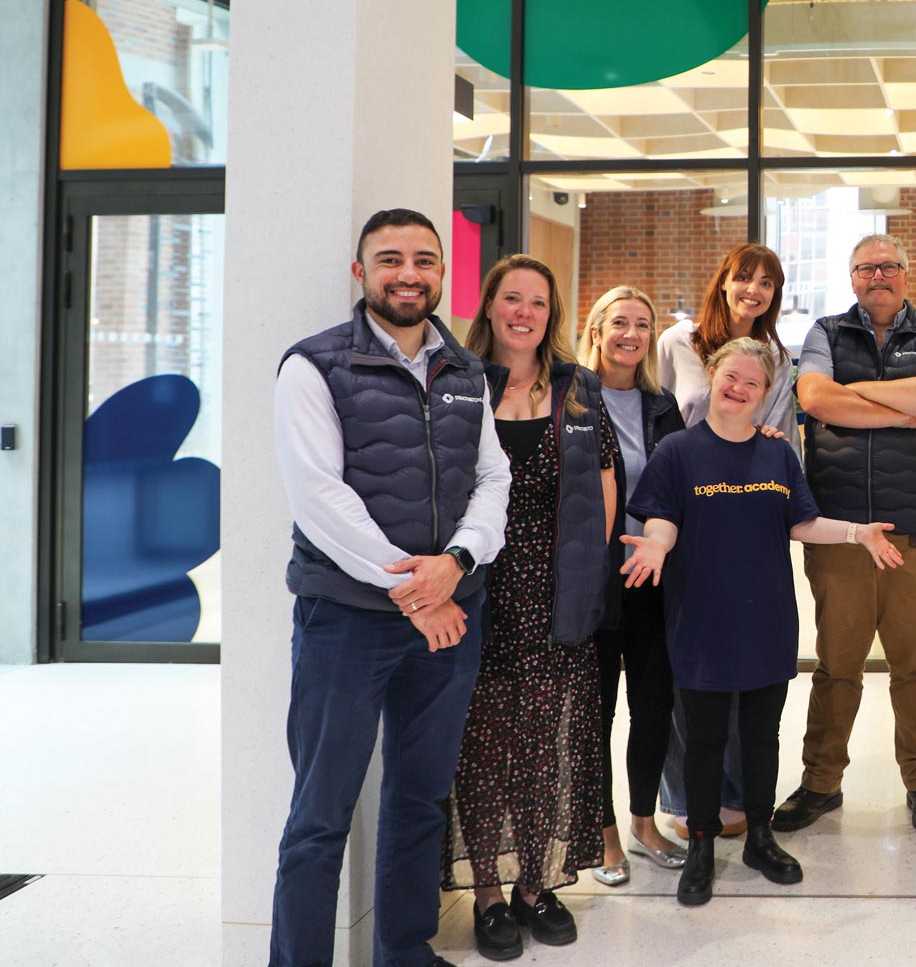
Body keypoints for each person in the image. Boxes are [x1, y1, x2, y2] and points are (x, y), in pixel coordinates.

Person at [269, 208, 508, 967]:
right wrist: (416, 589)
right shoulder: (314, 365)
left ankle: (404, 951)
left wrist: (458, 565)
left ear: (442, 273)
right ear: (361, 271)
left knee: (419, 799)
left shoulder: (466, 370)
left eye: (425, 260)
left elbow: (493, 477)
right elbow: (318, 496)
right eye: (391, 258)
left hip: (448, 618)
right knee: (320, 814)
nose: (410, 273)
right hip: (348, 619)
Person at [622, 337, 907, 906]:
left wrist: (857, 532)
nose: (739, 388)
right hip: (701, 620)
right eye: (732, 376)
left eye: (753, 382)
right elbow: (662, 519)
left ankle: (758, 837)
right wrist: (655, 546)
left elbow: (801, 523)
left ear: (766, 392)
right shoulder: (678, 451)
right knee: (703, 740)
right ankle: (701, 845)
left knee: (760, 736)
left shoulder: (778, 453)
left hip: (767, 620)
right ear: (713, 376)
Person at [438, 254, 616, 960]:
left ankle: (535, 889)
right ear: (490, 307)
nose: (524, 312)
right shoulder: (457, 387)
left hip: (555, 602)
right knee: (483, 751)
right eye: (512, 299)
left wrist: (580, 578)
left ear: (552, 316)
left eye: (537, 303)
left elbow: (602, 494)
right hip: (476, 595)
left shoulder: (578, 392)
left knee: (545, 749)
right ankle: (486, 893)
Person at [777, 234, 916, 835]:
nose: (877, 276)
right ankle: (820, 783)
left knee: (915, 665)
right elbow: (813, 396)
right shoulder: (825, 333)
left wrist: (852, 396)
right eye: (866, 268)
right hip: (842, 533)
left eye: (889, 266)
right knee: (836, 667)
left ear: (906, 274)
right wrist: (902, 411)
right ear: (852, 277)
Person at [655, 243, 798, 839]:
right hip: (685, 512)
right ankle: (687, 800)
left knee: (748, 665)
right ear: (724, 281)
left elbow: (781, 434)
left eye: (768, 282)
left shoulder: (779, 357)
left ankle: (740, 797)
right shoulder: (679, 342)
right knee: (691, 667)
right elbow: (662, 413)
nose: (755, 290)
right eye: (745, 277)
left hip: (747, 514)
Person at [577, 286, 687, 886]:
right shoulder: (569, 397)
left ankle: (644, 821)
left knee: (652, 706)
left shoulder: (661, 403)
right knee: (596, 712)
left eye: (642, 325)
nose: (632, 334)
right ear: (597, 329)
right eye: (620, 322)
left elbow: (681, 472)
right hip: (592, 581)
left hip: (652, 577)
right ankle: (603, 833)